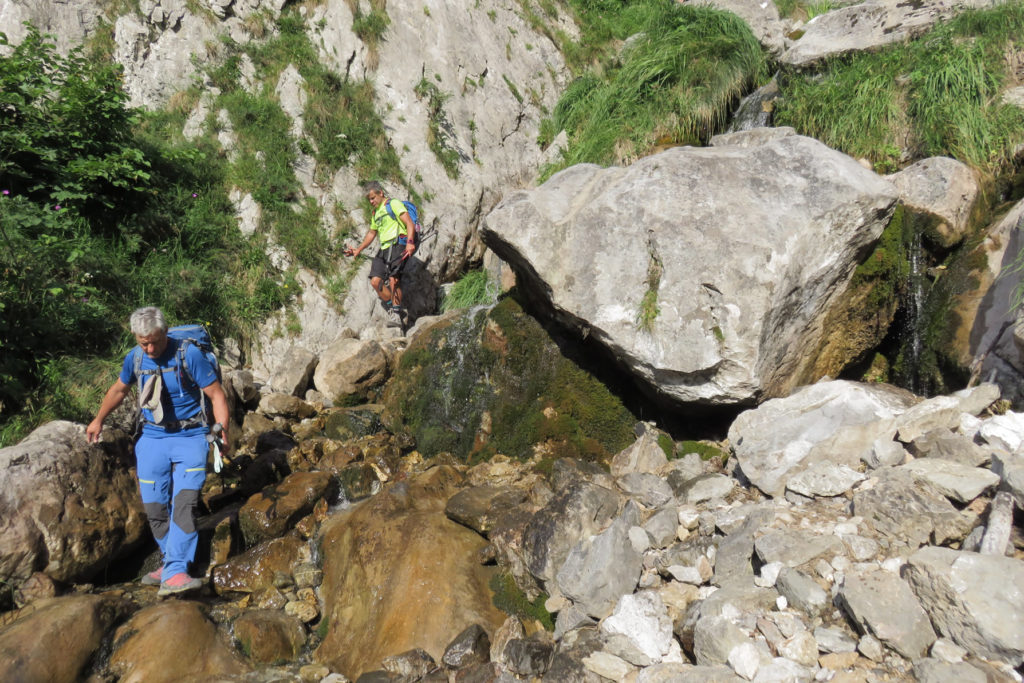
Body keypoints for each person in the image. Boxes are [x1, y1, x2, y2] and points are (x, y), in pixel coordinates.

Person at [86, 306, 229, 597]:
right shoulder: (135, 357)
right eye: (143, 342)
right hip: (152, 437)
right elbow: (118, 389)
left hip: (190, 436)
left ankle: (176, 569)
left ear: (165, 332)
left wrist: (221, 429)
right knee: (154, 507)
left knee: (185, 502)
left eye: (155, 341)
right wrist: (98, 419)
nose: (150, 348)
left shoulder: (188, 354)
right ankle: (170, 561)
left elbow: (216, 394)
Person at [344, 181, 416, 326]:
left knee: (393, 279)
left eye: (372, 198)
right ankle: (395, 309)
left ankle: (395, 314)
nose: (371, 202)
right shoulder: (376, 213)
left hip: (398, 244)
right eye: (369, 199)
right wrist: (358, 249)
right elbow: (371, 233)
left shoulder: (393, 204)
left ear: (380, 193)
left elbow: (409, 223)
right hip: (383, 249)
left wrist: (410, 242)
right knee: (375, 281)